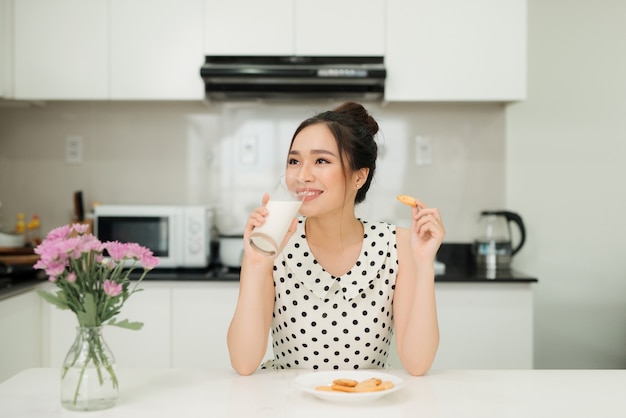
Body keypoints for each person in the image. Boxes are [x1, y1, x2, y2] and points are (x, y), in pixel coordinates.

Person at [227, 102, 445, 376]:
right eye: (294, 161)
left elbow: (418, 363)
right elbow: (243, 363)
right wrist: (257, 264)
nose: (302, 175)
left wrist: (425, 264)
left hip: (366, 403)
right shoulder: (273, 243)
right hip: (286, 404)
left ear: (359, 176)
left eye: (321, 161)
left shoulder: (397, 245)